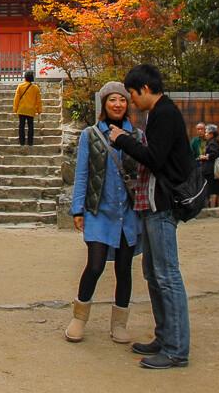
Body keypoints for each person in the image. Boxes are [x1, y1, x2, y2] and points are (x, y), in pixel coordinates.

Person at [110, 63, 193, 370]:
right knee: (154, 274)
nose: (131, 101)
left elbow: (155, 158)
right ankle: (164, 336)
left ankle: (176, 349)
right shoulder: (157, 114)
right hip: (151, 204)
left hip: (162, 205)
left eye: (132, 94)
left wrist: (123, 139)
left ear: (145, 89)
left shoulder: (165, 114)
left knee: (167, 275)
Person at [64, 81, 142, 345]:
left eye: (122, 100)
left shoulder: (137, 136)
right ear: (104, 103)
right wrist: (78, 209)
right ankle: (79, 317)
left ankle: (119, 323)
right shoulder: (91, 134)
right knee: (95, 265)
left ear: (127, 104)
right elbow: (82, 173)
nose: (117, 104)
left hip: (128, 212)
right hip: (99, 210)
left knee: (124, 268)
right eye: (112, 100)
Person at [12, 70, 43, 146]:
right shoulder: (36, 88)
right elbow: (38, 101)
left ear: (25, 77)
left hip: (22, 109)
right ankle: (30, 142)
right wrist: (39, 111)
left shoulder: (20, 86)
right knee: (30, 126)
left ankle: (22, 142)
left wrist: (15, 109)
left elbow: (16, 99)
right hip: (31, 110)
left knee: (21, 126)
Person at [200, 124, 219, 208]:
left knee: (212, 189)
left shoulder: (212, 143)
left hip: (211, 169)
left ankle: (212, 208)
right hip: (213, 169)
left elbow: (213, 154)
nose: (205, 134)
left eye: (206, 132)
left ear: (211, 134)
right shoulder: (214, 142)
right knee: (217, 189)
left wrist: (204, 157)